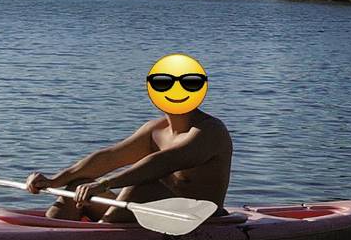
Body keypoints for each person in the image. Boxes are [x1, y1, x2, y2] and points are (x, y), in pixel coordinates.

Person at [27, 53, 233, 222]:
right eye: (162, 83)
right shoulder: (155, 129)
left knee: (141, 187)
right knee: (76, 186)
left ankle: (96, 238)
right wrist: (54, 180)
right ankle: (47, 236)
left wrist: (105, 184)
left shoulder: (209, 132)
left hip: (198, 220)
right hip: (154, 214)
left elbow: (163, 163)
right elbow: (109, 157)